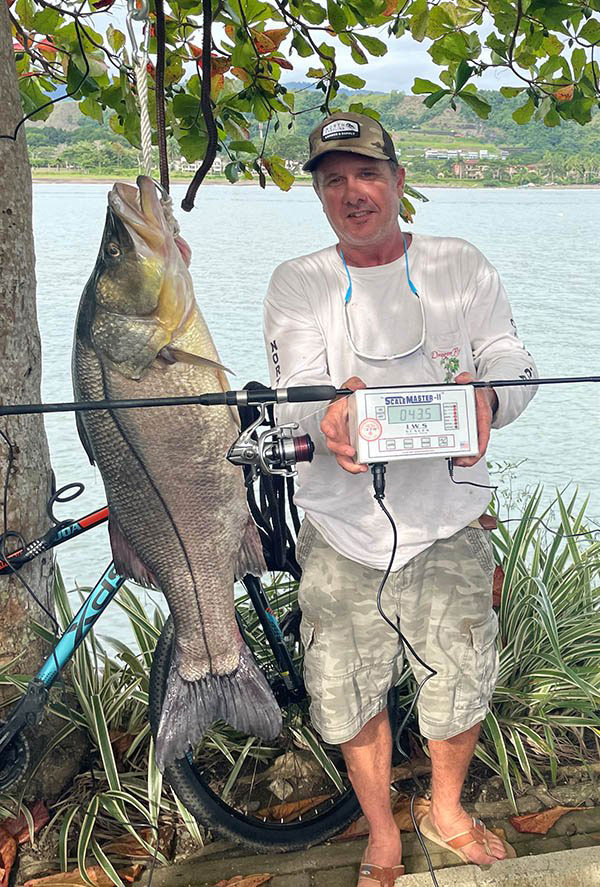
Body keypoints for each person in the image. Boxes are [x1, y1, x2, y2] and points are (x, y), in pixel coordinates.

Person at [263, 111, 537, 885]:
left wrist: (489, 399)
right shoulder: (299, 281)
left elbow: (513, 360)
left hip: (448, 519)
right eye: (333, 179)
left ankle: (444, 809)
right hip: (341, 530)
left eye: (367, 173)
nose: (353, 191)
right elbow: (288, 397)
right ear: (319, 195)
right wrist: (326, 410)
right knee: (346, 691)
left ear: (398, 179)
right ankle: (382, 830)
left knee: (461, 672)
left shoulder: (460, 264)